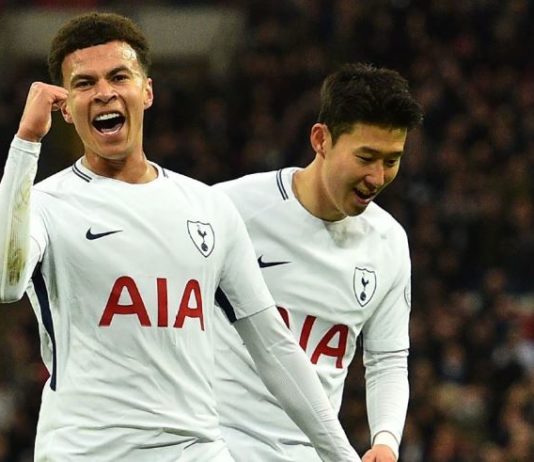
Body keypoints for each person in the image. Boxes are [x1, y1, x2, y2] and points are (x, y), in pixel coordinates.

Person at [0, 12, 361, 462]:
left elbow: (273, 346)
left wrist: (343, 456)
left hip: (195, 451)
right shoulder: (46, 204)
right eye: (84, 83)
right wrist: (26, 141)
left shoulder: (207, 207)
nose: (104, 92)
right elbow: (6, 282)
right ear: (67, 108)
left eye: (119, 76)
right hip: (86, 452)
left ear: (147, 91)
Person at [213, 62, 424, 462]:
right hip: (220, 441)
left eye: (392, 160)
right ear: (321, 139)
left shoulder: (390, 242)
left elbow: (387, 359)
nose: (377, 177)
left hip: (313, 451)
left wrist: (385, 441)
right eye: (366, 157)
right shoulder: (231, 209)